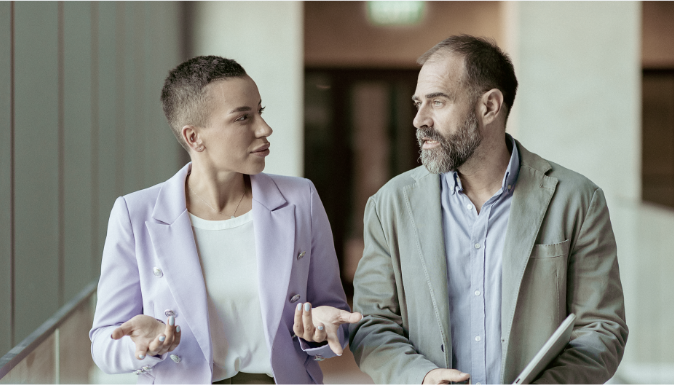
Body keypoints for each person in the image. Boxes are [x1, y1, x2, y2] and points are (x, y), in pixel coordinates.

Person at [348, 35, 628, 384]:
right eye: (418, 103)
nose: (420, 119)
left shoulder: (578, 200)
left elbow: (602, 329)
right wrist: (422, 377)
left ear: (490, 106)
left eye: (437, 102)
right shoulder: (389, 204)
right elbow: (372, 323)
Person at [89, 56, 361, 384]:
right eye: (243, 117)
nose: (264, 128)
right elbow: (105, 342)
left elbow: (333, 317)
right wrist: (146, 344)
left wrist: (318, 332)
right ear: (194, 137)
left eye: (260, 111)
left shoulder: (300, 199)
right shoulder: (135, 214)